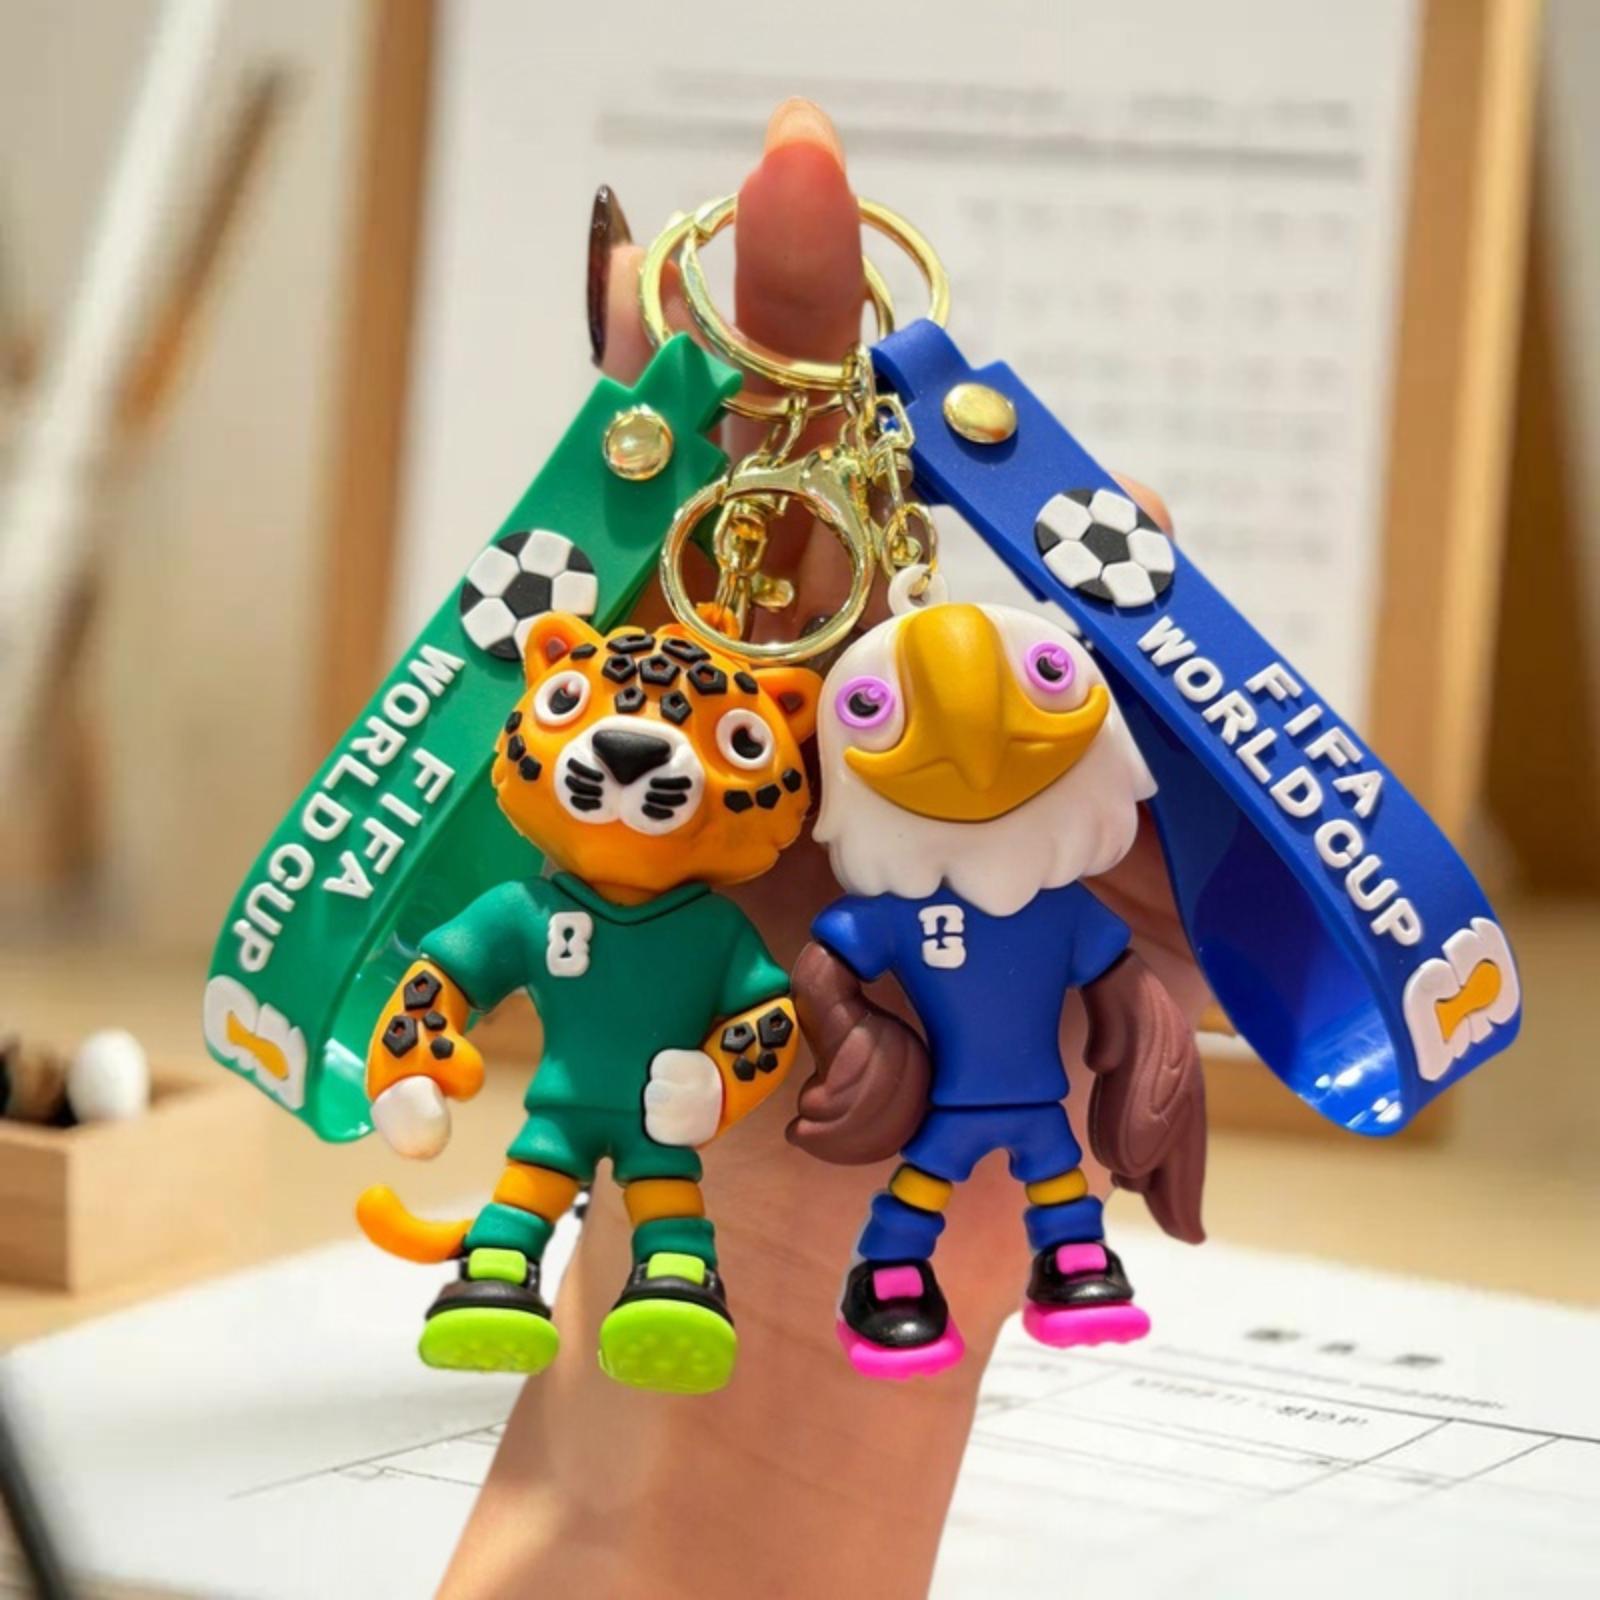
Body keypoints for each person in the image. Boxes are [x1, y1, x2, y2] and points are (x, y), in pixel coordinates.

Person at [440, 97, 1209, 1599]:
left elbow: (815, 983)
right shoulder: (707, 914)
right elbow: (745, 976)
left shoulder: (1040, 914)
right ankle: (541, 1270)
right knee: (609, 1184)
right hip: (647, 1124)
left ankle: (990, 1273)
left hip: (955, 1120)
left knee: (992, 1186)